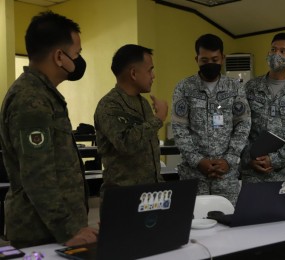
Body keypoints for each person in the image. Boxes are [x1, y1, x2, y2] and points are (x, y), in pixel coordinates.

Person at [0, 11, 98, 248]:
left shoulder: (43, 94)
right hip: (41, 233)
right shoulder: (31, 99)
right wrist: (68, 230)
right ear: (59, 56)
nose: (78, 60)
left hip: (55, 230)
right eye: (77, 54)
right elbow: (37, 176)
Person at [171, 34, 251, 205]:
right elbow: (179, 129)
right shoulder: (184, 87)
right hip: (194, 174)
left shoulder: (235, 87)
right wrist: (198, 161)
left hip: (226, 175)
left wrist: (228, 160)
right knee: (194, 224)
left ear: (222, 58)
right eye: (204, 60)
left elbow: (243, 125)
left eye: (215, 59)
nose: (210, 64)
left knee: (228, 223)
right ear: (196, 59)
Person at [94, 45, 168, 196]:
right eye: (150, 70)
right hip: (123, 197)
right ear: (133, 73)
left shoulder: (144, 104)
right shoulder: (110, 105)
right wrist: (158, 118)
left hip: (151, 195)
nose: (153, 76)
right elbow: (126, 143)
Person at [240, 32, 285, 183]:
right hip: (253, 173)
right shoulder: (250, 88)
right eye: (273, 49)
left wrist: (274, 160)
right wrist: (249, 158)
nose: (276, 54)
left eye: (282, 51)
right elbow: (240, 127)